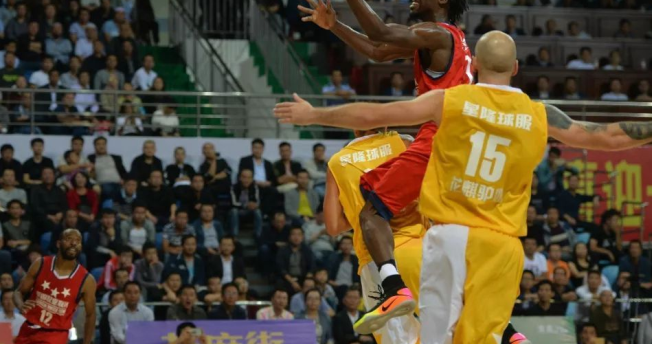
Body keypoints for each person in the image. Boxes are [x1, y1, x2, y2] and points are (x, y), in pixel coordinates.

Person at [275, 30, 652, 341]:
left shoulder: (451, 101)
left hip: (450, 238)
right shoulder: (540, 115)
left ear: (475, 66)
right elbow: (610, 136)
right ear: (516, 68)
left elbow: (375, 113)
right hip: (503, 246)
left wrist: (314, 114)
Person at [301, 0, 472, 316]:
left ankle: (393, 289)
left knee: (371, 212)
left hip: (439, 141)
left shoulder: (436, 33)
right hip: (461, 147)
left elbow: (379, 31)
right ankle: (500, 327)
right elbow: (378, 51)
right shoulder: (446, 41)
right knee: (444, 233)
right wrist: (334, 26)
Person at [324, 128, 424, 343]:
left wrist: (356, 210)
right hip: (420, 248)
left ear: (354, 127)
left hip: (376, 258)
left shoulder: (337, 162)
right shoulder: (404, 143)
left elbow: (333, 226)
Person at [13, 229, 96, 344]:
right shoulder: (40, 264)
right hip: (29, 329)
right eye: (69, 239)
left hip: (55, 334)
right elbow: (18, 292)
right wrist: (20, 305)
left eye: (78, 241)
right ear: (58, 243)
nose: (73, 243)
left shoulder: (87, 279)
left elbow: (91, 315)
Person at [229, 169, 262, 238]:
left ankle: (258, 235)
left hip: (250, 211)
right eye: (244, 177)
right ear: (240, 178)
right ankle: (234, 236)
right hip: (238, 211)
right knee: (234, 211)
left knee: (258, 211)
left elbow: (257, 201)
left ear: (252, 179)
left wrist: (254, 205)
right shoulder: (234, 187)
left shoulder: (255, 187)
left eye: (249, 178)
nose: (246, 180)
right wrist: (246, 205)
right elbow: (233, 203)